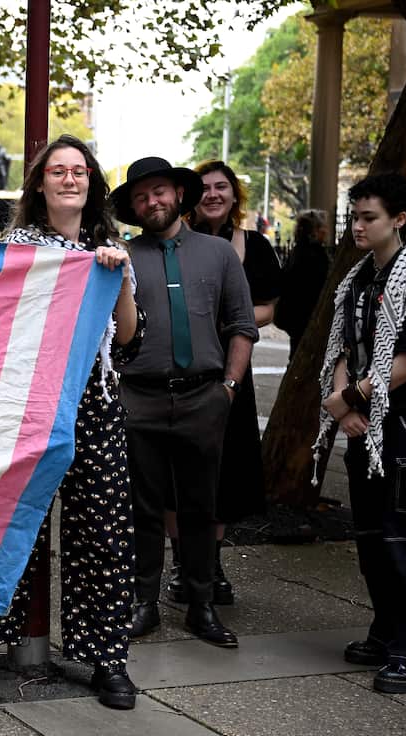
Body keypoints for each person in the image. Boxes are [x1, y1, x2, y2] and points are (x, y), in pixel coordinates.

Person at [0, 135, 143, 710]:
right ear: (39, 184)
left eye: (79, 171)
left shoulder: (111, 246)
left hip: (95, 405)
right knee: (8, 526)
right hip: (26, 406)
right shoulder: (16, 247)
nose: (69, 179)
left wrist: (120, 277)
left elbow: (129, 339)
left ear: (92, 183)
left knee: (103, 533)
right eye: (58, 171)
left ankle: (107, 656)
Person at [111, 156, 257, 648]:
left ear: (178, 194)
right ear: (133, 207)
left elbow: (242, 324)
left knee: (200, 507)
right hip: (139, 398)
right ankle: (142, 602)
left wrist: (229, 388)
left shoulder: (218, 255)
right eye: (140, 196)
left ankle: (201, 605)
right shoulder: (123, 256)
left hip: (204, 397)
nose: (151, 201)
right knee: (142, 507)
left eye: (159, 192)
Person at [313, 173, 406, 695]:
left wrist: (350, 399)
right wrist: (343, 408)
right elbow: (344, 352)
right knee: (371, 537)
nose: (357, 226)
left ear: (398, 219)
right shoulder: (357, 279)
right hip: (363, 427)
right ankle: (384, 628)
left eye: (368, 217)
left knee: (403, 538)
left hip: (404, 430)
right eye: (354, 216)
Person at [168, 160, 281, 606]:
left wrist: (220, 315)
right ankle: (181, 564)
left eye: (222, 187)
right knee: (176, 472)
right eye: (206, 187)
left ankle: (210, 565)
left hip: (232, 373)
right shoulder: (174, 243)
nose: (214, 194)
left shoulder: (255, 245)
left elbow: (268, 310)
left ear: (235, 195)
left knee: (224, 473)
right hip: (181, 369)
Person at [275, 209, 332, 359]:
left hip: (295, 315)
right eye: (323, 228)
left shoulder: (298, 251)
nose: (326, 231)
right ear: (316, 231)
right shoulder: (316, 255)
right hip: (308, 316)